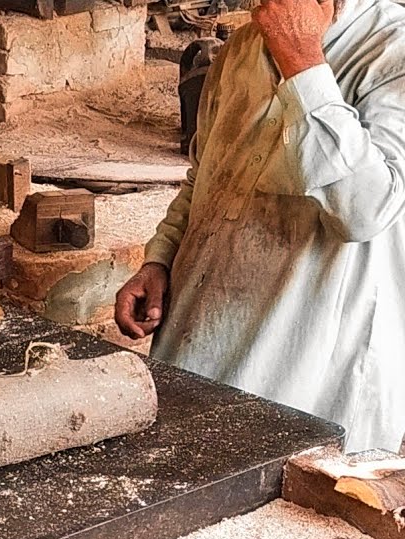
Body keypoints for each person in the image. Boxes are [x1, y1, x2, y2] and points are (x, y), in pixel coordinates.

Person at [115, 0, 405, 452]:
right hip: (198, 347)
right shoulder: (241, 48)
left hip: (309, 385)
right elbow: (205, 177)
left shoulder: (393, 50)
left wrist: (302, 60)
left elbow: (365, 210)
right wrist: (161, 260)